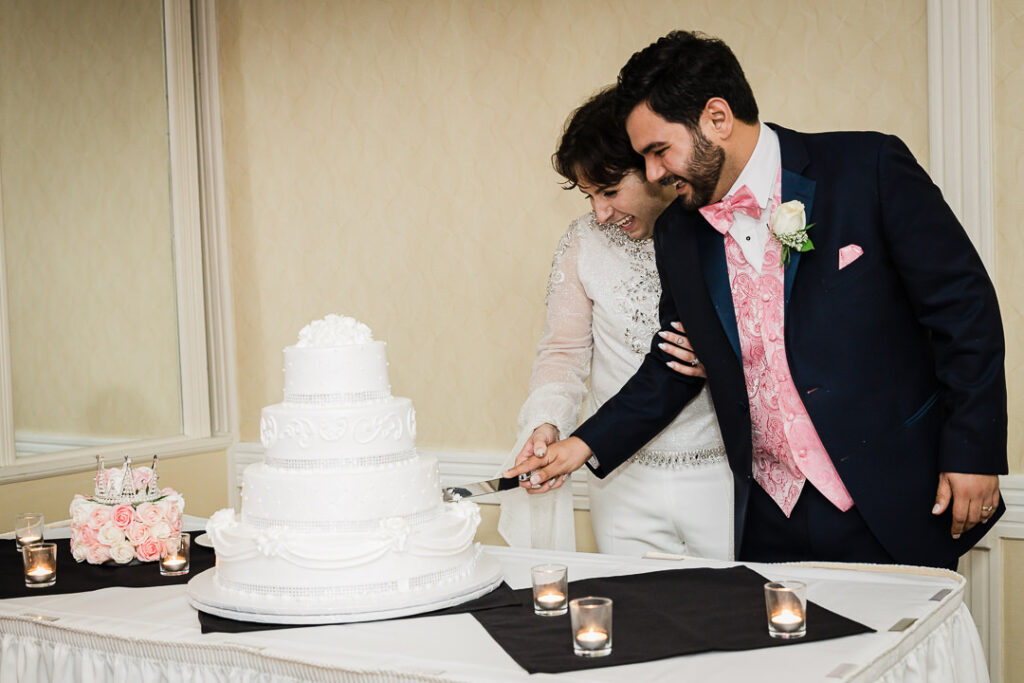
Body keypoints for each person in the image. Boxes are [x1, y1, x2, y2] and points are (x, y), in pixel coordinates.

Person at [507, 31, 1007, 570]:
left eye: (659, 151)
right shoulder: (679, 232)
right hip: (768, 518)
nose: (653, 174)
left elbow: (964, 308)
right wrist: (581, 445)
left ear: (717, 118)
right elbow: (675, 363)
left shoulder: (867, 166)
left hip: (888, 499)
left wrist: (972, 451)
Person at [499, 86, 733, 559]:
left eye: (609, 191)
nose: (600, 212)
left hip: (722, 474)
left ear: (655, 167)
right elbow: (563, 353)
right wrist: (548, 422)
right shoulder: (584, 242)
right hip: (620, 478)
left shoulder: (716, 229)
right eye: (589, 196)